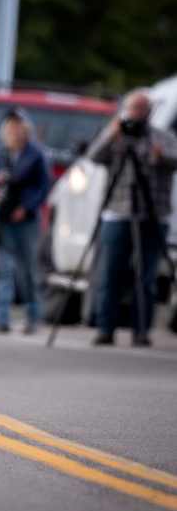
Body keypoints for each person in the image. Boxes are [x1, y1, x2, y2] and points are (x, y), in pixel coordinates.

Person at [87, 90, 177, 347]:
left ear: (150, 111)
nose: (137, 114)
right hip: (117, 211)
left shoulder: (163, 137)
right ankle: (105, 328)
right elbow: (93, 156)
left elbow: (175, 159)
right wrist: (111, 133)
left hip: (152, 213)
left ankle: (141, 331)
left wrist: (162, 156)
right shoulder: (116, 134)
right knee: (110, 273)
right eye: (132, 108)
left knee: (145, 275)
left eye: (141, 108)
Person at [0, 109, 51, 335]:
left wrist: (27, 207)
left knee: (28, 270)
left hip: (26, 219)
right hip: (4, 216)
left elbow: (44, 187)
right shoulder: (1, 153)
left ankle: (33, 316)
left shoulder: (36, 154)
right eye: (10, 127)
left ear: (25, 129)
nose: (14, 131)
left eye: (18, 126)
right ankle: (1, 318)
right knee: (3, 269)